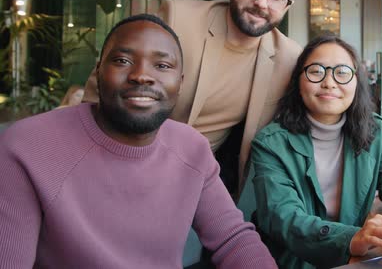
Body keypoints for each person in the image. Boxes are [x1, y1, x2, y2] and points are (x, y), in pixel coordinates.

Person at [0, 14, 276, 269]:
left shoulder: (192, 148)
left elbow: (233, 239)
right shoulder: (27, 147)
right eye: (122, 61)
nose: (142, 75)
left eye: (162, 65)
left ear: (179, 83)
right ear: (98, 73)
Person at [83, 0, 302, 197]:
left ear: (288, 5)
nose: (263, 3)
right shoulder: (177, 18)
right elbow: (103, 85)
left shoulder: (289, 58)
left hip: (196, 184)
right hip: (119, 159)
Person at [250, 35, 382, 269]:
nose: (329, 83)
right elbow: (282, 217)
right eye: (316, 71)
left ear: (357, 81)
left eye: (342, 72)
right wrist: (351, 238)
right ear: (298, 80)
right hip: (290, 261)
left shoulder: (373, 131)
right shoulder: (271, 143)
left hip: (352, 260)